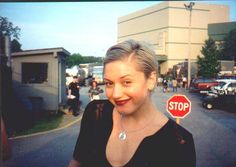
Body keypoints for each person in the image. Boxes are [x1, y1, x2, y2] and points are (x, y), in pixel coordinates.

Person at [68, 40, 196, 167]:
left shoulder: (178, 143)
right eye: (109, 83)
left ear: (151, 80)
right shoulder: (96, 113)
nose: (116, 94)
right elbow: (77, 161)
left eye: (126, 82)